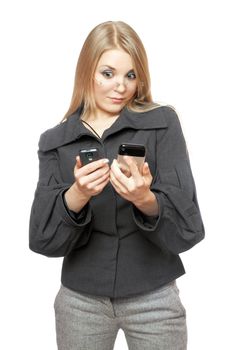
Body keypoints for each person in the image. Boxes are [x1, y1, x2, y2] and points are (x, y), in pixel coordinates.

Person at [29, 20, 205, 350]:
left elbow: (189, 229)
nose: (121, 87)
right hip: (80, 303)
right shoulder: (55, 141)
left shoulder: (162, 123)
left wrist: (145, 199)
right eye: (107, 73)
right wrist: (77, 195)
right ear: (87, 73)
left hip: (154, 297)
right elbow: (42, 240)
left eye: (131, 75)